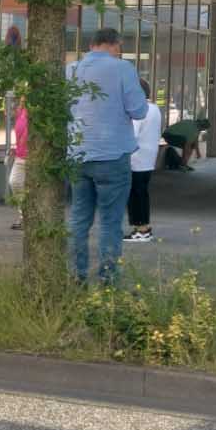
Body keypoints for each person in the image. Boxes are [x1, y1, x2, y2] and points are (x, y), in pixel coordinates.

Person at [67, 28, 149, 283]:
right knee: (111, 223)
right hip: (112, 155)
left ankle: (76, 277)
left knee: (79, 219)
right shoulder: (123, 68)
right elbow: (139, 111)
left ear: (91, 45)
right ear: (114, 45)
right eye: (119, 48)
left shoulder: (70, 70)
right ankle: (108, 280)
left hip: (77, 154)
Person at [125, 79, 164, 244]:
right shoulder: (155, 109)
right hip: (148, 158)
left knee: (135, 195)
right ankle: (143, 228)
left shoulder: (139, 111)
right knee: (142, 193)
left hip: (135, 159)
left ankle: (141, 229)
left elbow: (131, 136)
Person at [7, 101, 30, 231]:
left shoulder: (35, 111)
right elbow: (20, 133)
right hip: (20, 155)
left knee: (31, 187)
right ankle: (24, 216)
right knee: (14, 182)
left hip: (33, 157)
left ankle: (27, 218)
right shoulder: (21, 112)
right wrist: (15, 148)